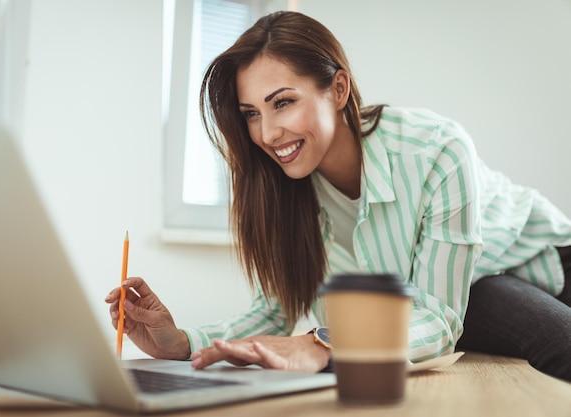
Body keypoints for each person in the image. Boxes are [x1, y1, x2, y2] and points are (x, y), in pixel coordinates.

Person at [106, 10, 571, 381]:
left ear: (339, 88)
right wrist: (183, 342)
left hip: (543, 261)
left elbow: (439, 318)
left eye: (283, 102)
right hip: (467, 296)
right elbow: (273, 310)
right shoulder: (284, 190)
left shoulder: (436, 149)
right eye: (251, 113)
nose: (267, 133)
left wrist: (321, 342)